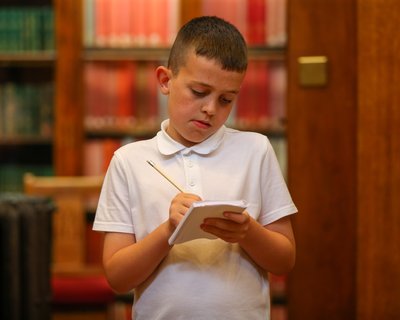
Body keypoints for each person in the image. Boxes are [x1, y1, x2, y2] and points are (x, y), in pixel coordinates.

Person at [93, 16, 297, 320]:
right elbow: (118, 277)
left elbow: (284, 260)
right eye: (199, 92)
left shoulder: (255, 150)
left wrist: (247, 231)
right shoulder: (128, 161)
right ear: (165, 80)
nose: (211, 109)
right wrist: (168, 231)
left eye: (226, 99)